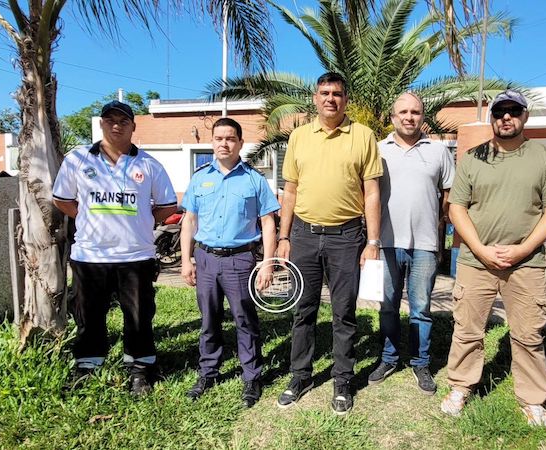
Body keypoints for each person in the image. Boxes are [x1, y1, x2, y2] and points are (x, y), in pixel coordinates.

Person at [441, 89, 546, 426]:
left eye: (514, 111)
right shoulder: (473, 158)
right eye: (500, 111)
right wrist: (482, 250)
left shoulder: (543, 158)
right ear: (492, 117)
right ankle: (461, 386)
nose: (506, 117)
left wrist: (524, 248)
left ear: (525, 116)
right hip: (475, 261)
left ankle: (532, 399)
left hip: (526, 263)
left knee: (528, 334)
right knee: (467, 329)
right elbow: (457, 208)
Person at [275, 72, 383, 415]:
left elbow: (372, 194)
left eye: (337, 93)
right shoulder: (298, 137)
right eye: (324, 93)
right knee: (303, 310)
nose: (330, 99)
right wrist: (283, 236)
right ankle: (300, 375)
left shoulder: (363, 136)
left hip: (347, 237)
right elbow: (289, 191)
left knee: (344, 313)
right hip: (304, 236)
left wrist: (373, 241)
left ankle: (342, 381)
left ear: (345, 98)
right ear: (315, 97)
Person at [53, 100, 177, 396]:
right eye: (110, 120)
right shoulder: (78, 159)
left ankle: (140, 370)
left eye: (123, 120)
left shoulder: (148, 165)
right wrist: (85, 215)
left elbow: (167, 206)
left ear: (134, 126)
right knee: (89, 316)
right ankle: (87, 365)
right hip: (90, 256)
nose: (117, 125)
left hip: (136, 257)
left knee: (138, 316)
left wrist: (144, 221)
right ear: (101, 124)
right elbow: (62, 199)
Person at [180, 117, 280, 408]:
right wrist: (187, 260)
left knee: (244, 319)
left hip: (240, 260)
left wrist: (268, 263)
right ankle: (208, 372)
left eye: (230, 138)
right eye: (218, 138)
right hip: (206, 259)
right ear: (212, 142)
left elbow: (268, 223)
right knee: (209, 319)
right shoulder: (200, 178)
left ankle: (251, 376)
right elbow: (189, 221)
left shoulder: (254, 179)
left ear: (240, 143)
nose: (224, 143)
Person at [367, 92, 454, 394]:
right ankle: (389, 358)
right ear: (392, 117)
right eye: (403, 112)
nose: (409, 117)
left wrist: (442, 239)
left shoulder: (439, 151)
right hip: (386, 243)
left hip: (425, 246)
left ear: (423, 116)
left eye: (415, 112)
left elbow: (448, 198)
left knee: (421, 309)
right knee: (387, 307)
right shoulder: (377, 151)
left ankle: (420, 362)